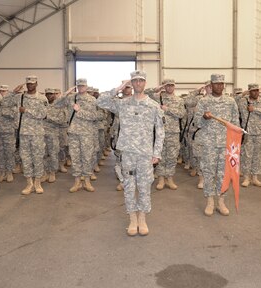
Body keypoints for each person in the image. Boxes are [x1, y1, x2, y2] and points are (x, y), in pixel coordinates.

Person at [97, 70, 165, 236]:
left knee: (144, 186)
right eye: (135, 81)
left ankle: (142, 217)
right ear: (131, 84)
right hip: (127, 153)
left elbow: (160, 131)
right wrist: (120, 87)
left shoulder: (153, 106)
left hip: (145, 154)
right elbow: (100, 101)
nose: (138, 84)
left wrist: (157, 152)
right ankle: (132, 218)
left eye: (141, 81)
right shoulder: (123, 104)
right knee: (128, 186)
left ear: (145, 83)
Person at [194, 74, 240, 216]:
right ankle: (210, 202)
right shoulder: (203, 102)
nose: (219, 86)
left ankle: (221, 201)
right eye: (216, 84)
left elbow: (236, 122)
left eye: (221, 83)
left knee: (224, 174)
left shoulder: (230, 101)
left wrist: (234, 143)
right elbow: (196, 123)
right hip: (209, 144)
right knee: (208, 173)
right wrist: (204, 117)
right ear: (211, 85)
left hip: (226, 144)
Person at [56, 79, 102, 193]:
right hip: (73, 133)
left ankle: (87, 181)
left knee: (87, 157)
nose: (81, 88)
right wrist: (66, 93)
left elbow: (98, 115)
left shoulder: (92, 100)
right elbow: (56, 104)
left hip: (87, 133)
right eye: (79, 86)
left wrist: (80, 111)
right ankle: (77, 182)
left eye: (83, 86)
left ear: (86, 87)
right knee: (75, 157)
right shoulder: (71, 98)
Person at [145, 79, 186, 190]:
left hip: (173, 132)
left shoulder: (179, 100)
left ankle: (170, 178)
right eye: (167, 86)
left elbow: (181, 114)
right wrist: (156, 88)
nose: (169, 88)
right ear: (164, 86)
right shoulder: (157, 98)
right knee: (160, 155)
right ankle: (161, 179)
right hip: (160, 132)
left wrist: (167, 109)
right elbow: (144, 93)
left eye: (171, 86)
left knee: (172, 156)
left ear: (174, 87)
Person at [12, 76, 47, 195]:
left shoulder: (41, 98)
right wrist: (13, 92)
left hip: (37, 133)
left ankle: (37, 183)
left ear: (36, 84)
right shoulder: (20, 97)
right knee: (25, 158)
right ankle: (29, 183)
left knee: (37, 158)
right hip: (23, 133)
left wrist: (27, 110)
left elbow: (43, 114)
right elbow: (4, 102)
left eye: (32, 83)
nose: (30, 85)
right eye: (28, 83)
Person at [238, 83, 261, 187]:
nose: (256, 92)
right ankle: (246, 178)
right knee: (247, 156)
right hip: (248, 133)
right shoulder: (243, 101)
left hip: (260, 133)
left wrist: (255, 110)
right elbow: (233, 101)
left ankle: (255, 178)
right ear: (249, 91)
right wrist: (242, 94)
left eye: (257, 90)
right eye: (253, 90)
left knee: (258, 155)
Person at [42, 88, 67, 183]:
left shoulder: (59, 106)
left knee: (53, 154)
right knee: (43, 154)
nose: (49, 96)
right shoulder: (42, 105)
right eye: (47, 94)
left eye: (51, 94)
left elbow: (61, 120)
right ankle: (45, 173)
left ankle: (52, 172)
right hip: (42, 134)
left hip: (53, 134)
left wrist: (48, 117)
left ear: (54, 95)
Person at [0, 85, 17, 183]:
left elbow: (13, 114)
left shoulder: (13, 104)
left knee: (9, 152)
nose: (2, 93)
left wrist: (2, 110)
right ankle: (2, 172)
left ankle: (9, 172)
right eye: (0, 91)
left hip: (8, 131)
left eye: (4, 91)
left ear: (8, 93)